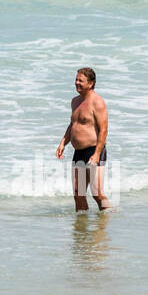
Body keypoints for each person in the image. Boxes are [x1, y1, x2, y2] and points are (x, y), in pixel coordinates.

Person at [55, 68, 113, 211]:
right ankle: (81, 227)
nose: (77, 83)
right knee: (78, 194)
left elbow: (103, 130)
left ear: (91, 83)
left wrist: (97, 155)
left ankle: (109, 215)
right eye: (76, 79)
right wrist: (63, 142)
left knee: (96, 193)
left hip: (94, 150)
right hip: (78, 152)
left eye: (81, 80)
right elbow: (73, 124)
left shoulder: (97, 102)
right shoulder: (75, 101)